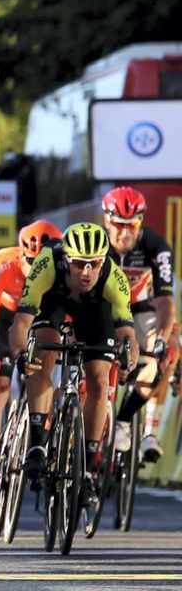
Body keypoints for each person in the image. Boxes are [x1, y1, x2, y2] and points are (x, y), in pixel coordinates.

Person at [8, 223, 137, 497]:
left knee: (99, 381)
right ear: (66, 259)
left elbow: (127, 334)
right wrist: (21, 354)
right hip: (54, 301)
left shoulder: (113, 277)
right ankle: (37, 443)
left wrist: (128, 359)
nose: (87, 272)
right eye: (79, 264)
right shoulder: (47, 262)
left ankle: (88, 469)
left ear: (103, 260)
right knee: (42, 353)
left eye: (94, 264)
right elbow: (20, 322)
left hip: (95, 311)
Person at [0, 220, 60, 513]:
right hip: (7, 321)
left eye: (42, 262)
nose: (35, 269)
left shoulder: (62, 267)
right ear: (21, 254)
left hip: (43, 319)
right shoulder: (2, 265)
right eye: (30, 261)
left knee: (45, 372)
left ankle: (40, 445)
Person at [102, 187, 177, 464]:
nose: (124, 233)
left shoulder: (156, 246)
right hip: (106, 307)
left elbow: (165, 302)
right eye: (119, 225)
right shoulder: (97, 243)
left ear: (141, 221)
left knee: (163, 357)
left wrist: (161, 340)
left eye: (131, 225)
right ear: (106, 221)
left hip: (142, 309)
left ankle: (125, 420)